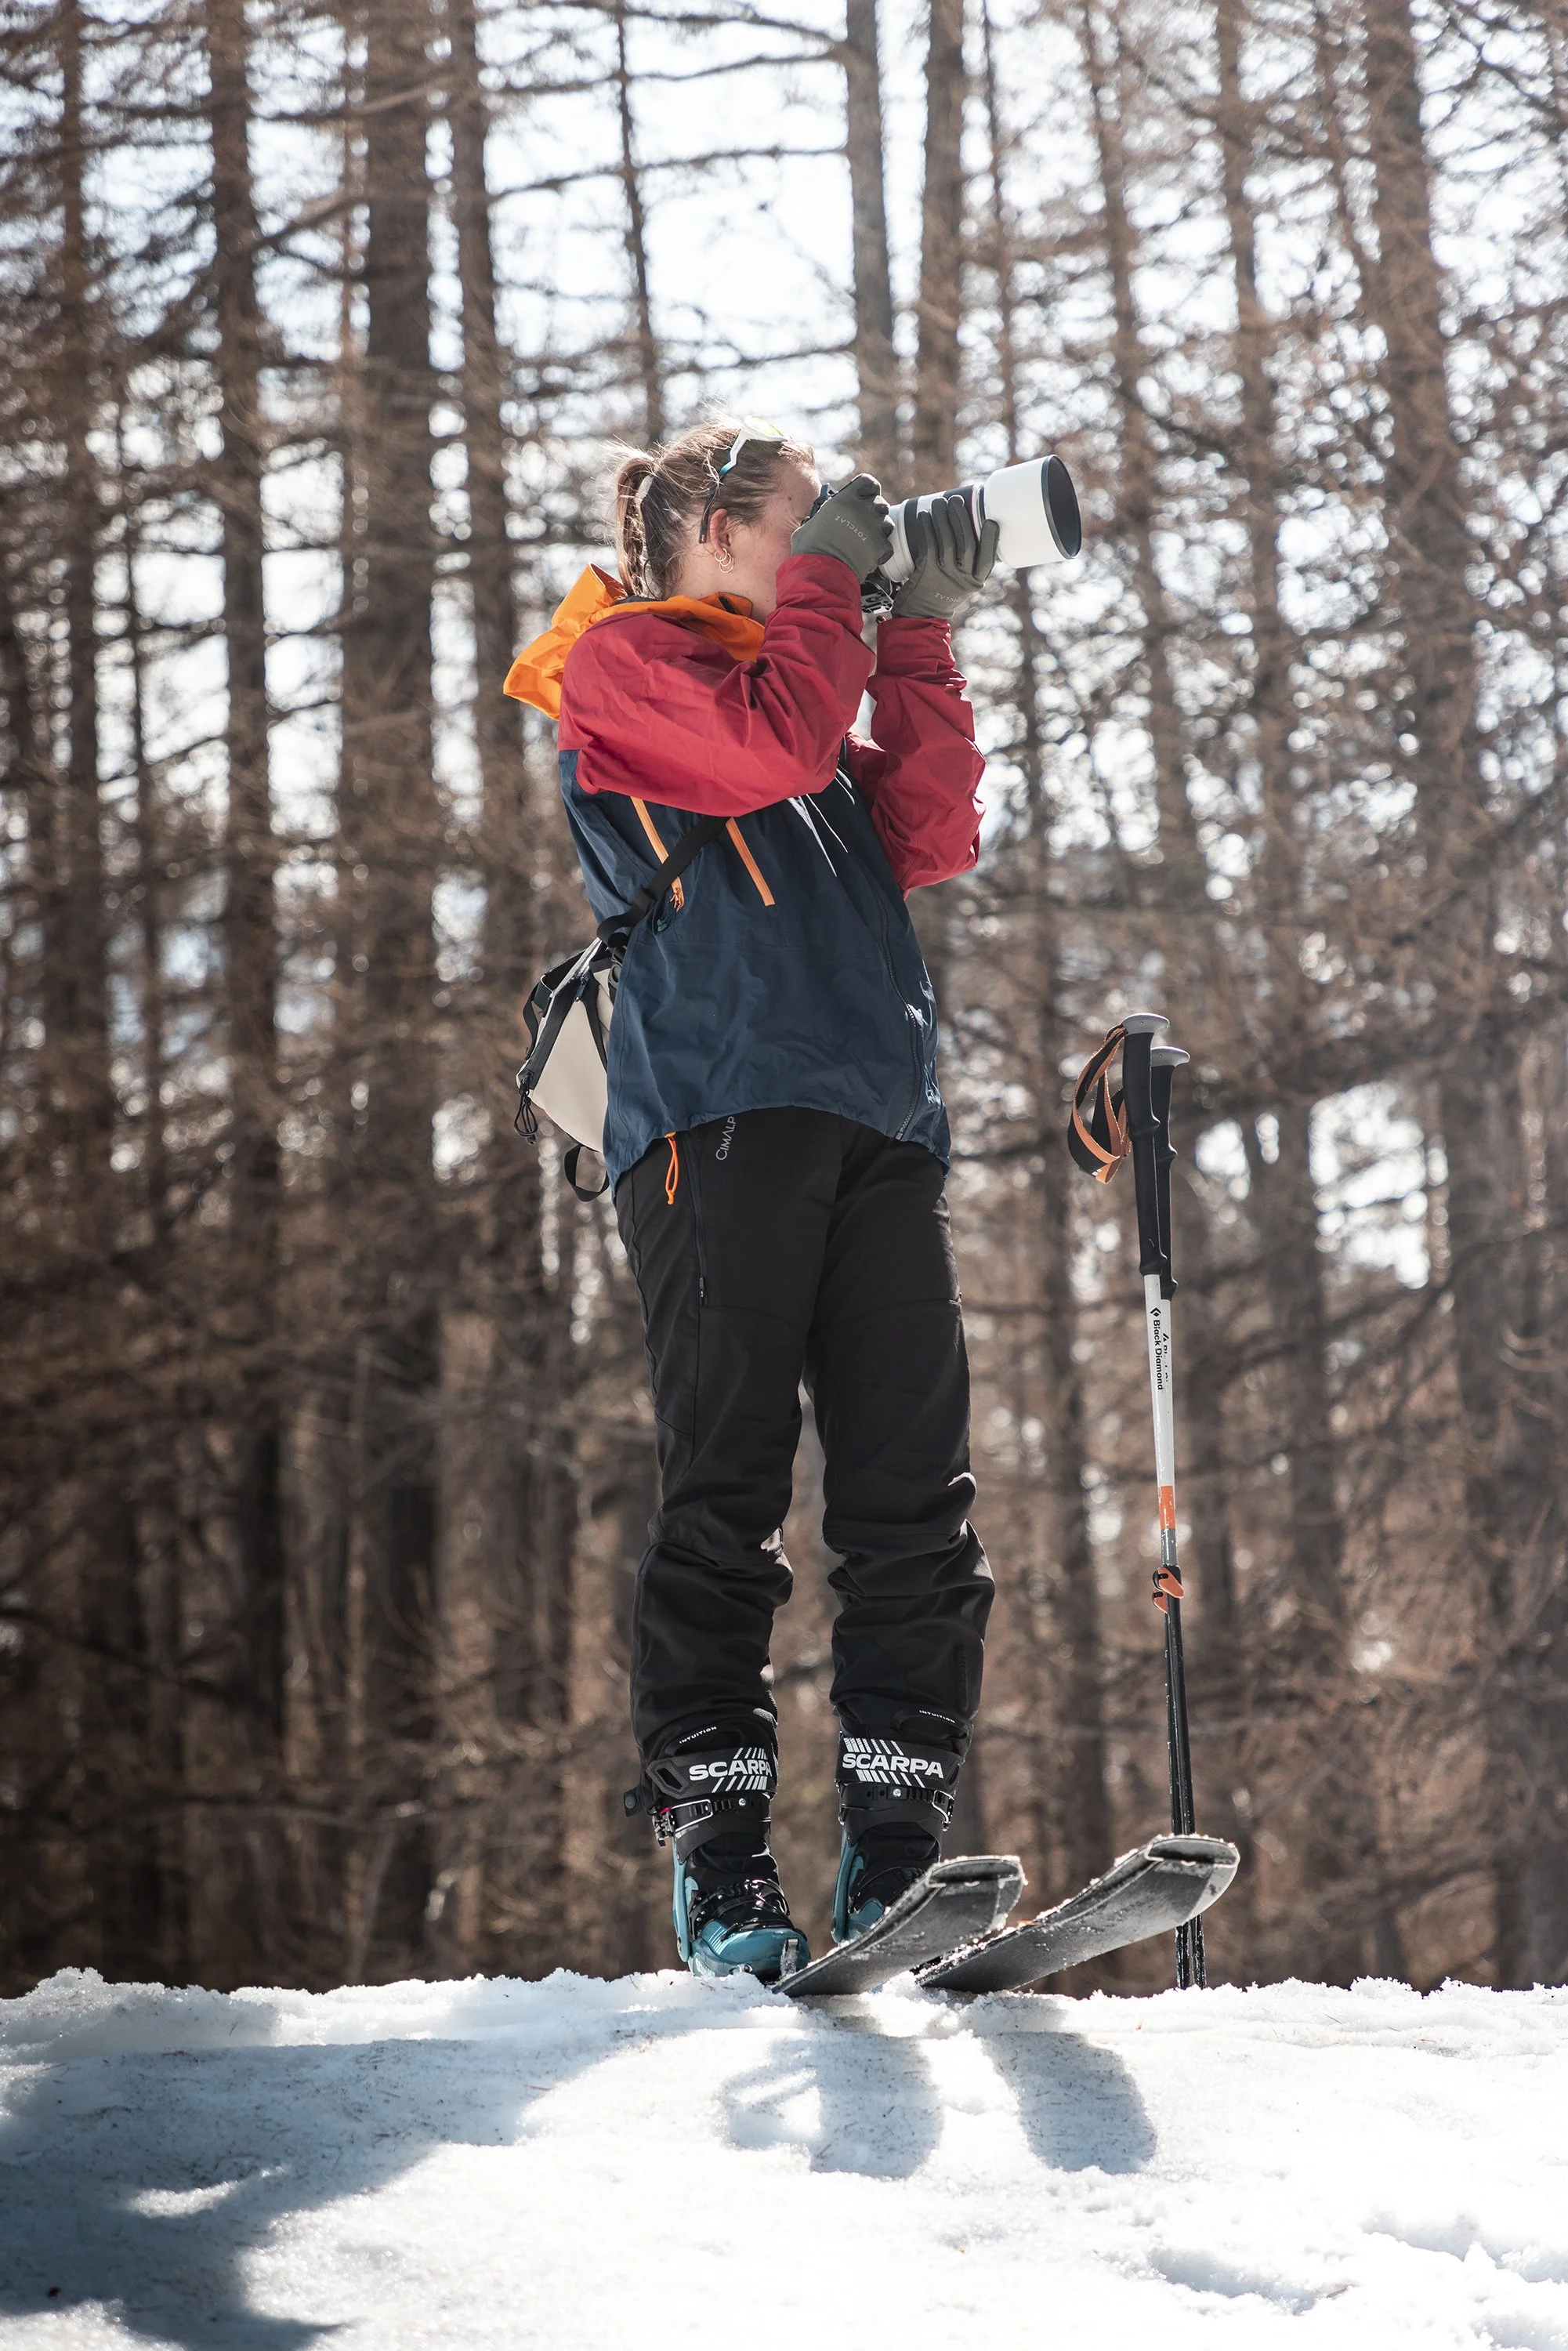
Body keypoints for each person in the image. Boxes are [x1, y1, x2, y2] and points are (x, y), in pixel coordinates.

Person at [504, 418, 998, 1981]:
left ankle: (895, 1851)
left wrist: (912, 631)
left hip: (875, 1118)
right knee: (727, 1498)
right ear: (717, 534)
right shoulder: (620, 672)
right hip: (714, 1121)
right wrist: (839, 603)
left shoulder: (799, 687)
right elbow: (774, 746)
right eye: (806, 522)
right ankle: (720, 1863)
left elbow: (927, 831)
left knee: (913, 1500)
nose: (827, 550)